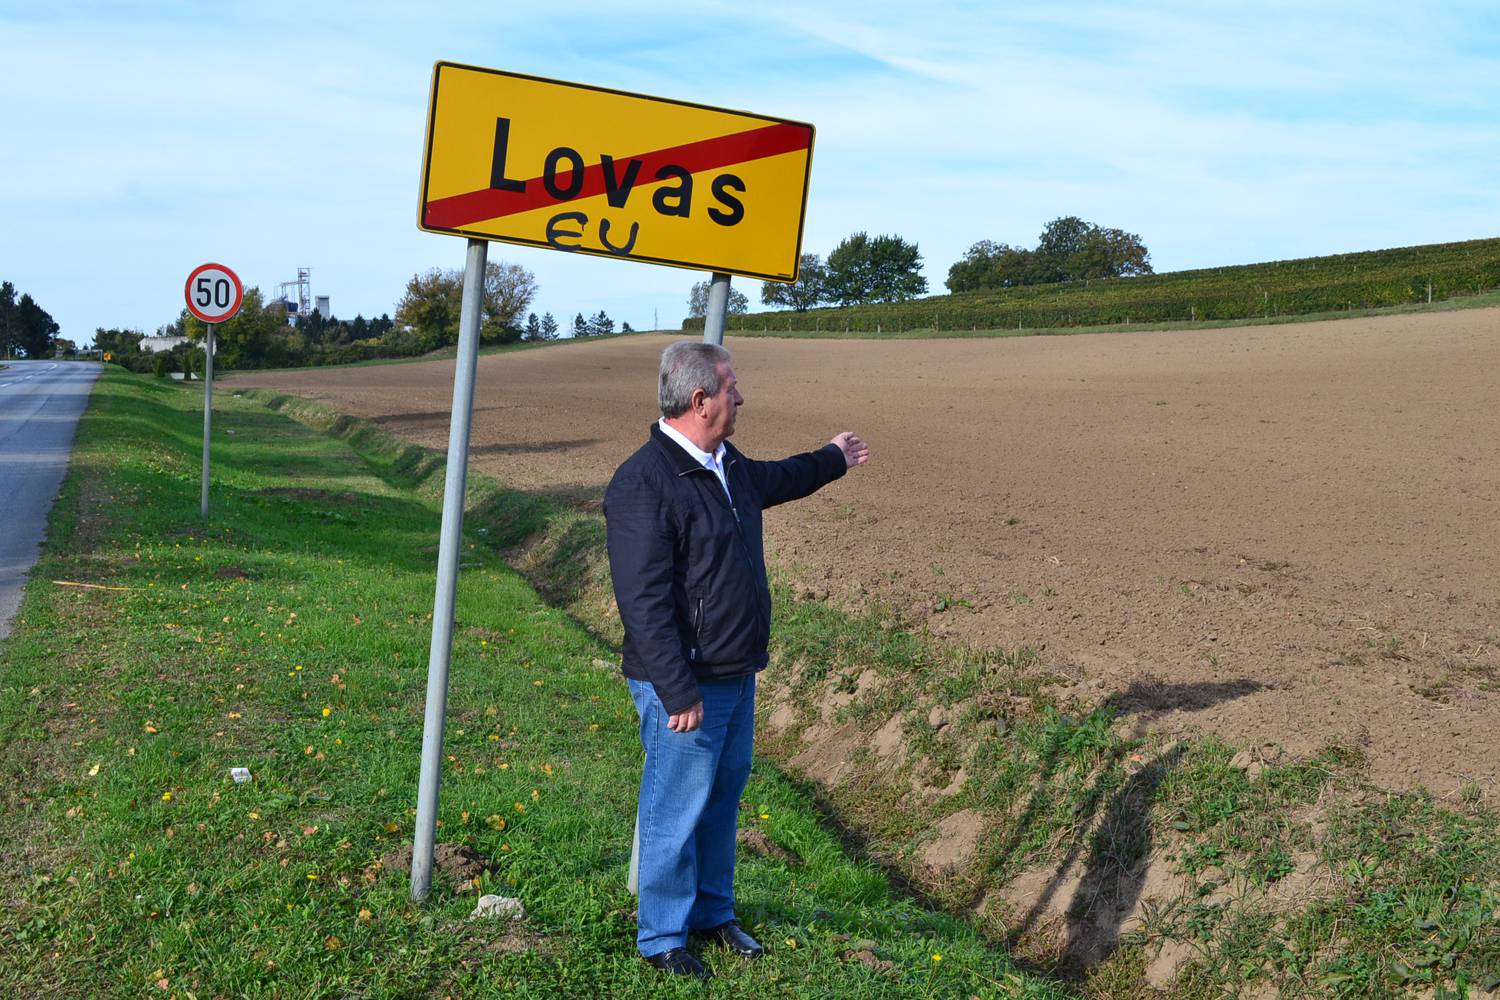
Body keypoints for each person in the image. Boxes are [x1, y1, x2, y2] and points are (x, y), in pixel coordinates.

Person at [604, 341, 870, 979]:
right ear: (700, 401)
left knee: (722, 799)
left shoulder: (725, 464)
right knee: (676, 804)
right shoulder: (644, 483)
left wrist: (833, 457)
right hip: (687, 684)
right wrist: (676, 691)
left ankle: (712, 913)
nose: (740, 396)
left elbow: (780, 479)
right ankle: (663, 937)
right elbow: (642, 602)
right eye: (731, 387)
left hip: (733, 670)